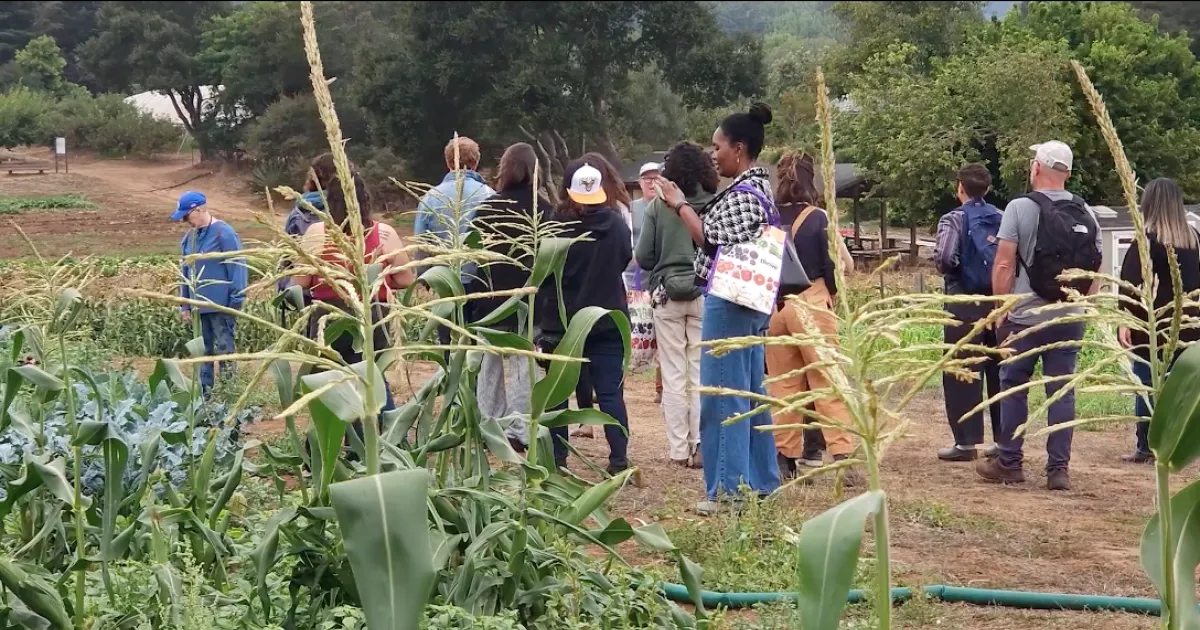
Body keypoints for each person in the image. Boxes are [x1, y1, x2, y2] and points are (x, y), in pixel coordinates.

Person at [657, 102, 780, 515]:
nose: (713, 154)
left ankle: (727, 490)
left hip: (730, 302)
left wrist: (679, 204)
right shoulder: (759, 189)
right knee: (751, 392)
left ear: (739, 149)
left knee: (723, 397)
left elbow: (709, 238)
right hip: (753, 301)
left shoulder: (745, 194)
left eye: (718, 146)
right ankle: (761, 483)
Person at [977, 141, 1102, 491]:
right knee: (1061, 391)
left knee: (1013, 387)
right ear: (1069, 172)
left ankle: (1010, 462)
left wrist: (1000, 308)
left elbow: (1003, 263)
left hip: (1024, 317)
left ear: (1036, 167)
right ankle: (1058, 470)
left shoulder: (1019, 208)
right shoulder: (1087, 212)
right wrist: (1081, 306)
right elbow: (1098, 268)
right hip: (1068, 317)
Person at [293, 173, 414, 438]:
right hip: (372, 314)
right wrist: (379, 279)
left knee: (331, 381)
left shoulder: (316, 233)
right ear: (366, 200)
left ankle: (337, 443)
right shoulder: (384, 233)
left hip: (329, 317)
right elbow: (406, 278)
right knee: (372, 378)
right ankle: (388, 439)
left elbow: (300, 280)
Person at [765, 152, 859, 483]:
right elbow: (839, 264)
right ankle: (843, 457)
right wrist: (831, 292)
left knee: (783, 386)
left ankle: (784, 459)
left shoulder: (770, 219)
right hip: (813, 303)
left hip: (775, 307)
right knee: (827, 381)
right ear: (811, 179)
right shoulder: (818, 217)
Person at [536, 158, 633, 474]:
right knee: (610, 393)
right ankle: (618, 460)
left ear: (569, 190)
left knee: (557, 395)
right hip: (607, 319)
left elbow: (544, 275)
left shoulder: (556, 226)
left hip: (562, 325)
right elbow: (623, 261)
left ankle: (558, 460)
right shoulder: (617, 224)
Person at [637, 143, 715, 469]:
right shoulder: (714, 202)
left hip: (667, 296)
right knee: (699, 373)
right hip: (703, 294)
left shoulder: (658, 207)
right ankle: (700, 445)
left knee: (672, 375)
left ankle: (678, 449)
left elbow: (644, 257)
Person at [470, 143, 550, 451]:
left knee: (489, 367)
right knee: (521, 366)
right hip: (529, 304)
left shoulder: (489, 208)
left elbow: (476, 254)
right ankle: (520, 430)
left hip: (491, 300)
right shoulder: (542, 209)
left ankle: (489, 425)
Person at [1117, 178, 1200, 463]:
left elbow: (1129, 284)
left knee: (1147, 383)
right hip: (1188, 325)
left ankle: (1147, 444)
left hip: (1152, 325)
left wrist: (1124, 319)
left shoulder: (1146, 240)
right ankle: (1175, 442)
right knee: (1180, 387)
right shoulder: (1193, 240)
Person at [933, 164, 1003, 462]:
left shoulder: (954, 218)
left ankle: (965, 443)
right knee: (1000, 370)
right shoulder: (1002, 218)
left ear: (960, 186)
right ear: (987, 188)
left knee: (962, 370)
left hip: (963, 302)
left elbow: (946, 257)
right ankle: (1004, 441)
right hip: (1000, 300)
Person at [415, 136, 494, 348]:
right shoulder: (491, 196)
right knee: (476, 347)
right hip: (482, 283)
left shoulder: (430, 198)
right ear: (476, 162)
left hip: (445, 281)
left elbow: (421, 244)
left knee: (448, 343)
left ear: (448, 163)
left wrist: (424, 278)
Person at [172, 191, 248, 395]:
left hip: (221, 304)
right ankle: (204, 393)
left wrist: (236, 299)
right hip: (198, 307)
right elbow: (185, 271)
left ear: (199, 210)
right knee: (203, 352)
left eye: (186, 216)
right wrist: (185, 304)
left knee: (224, 348)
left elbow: (237, 266)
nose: (185, 221)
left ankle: (227, 391)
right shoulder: (189, 238)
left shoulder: (224, 233)